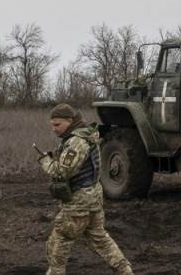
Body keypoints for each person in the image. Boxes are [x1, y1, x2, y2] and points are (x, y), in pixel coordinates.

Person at [38, 103, 133, 275]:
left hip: (77, 205)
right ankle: (124, 271)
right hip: (93, 202)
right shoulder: (88, 136)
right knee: (101, 240)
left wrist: (45, 161)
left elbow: (62, 171)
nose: (54, 129)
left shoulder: (76, 142)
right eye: (52, 125)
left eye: (57, 125)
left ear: (70, 121)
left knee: (57, 248)